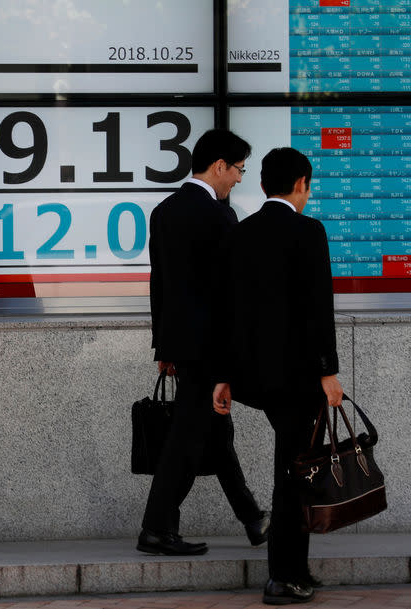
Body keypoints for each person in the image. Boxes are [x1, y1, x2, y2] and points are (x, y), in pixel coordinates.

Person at [212, 147, 343, 605]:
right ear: (301, 183)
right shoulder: (309, 232)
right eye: (309, 186)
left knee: (295, 468)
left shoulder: (239, 234)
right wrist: (328, 372)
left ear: (264, 184)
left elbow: (227, 315)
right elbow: (317, 310)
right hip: (299, 378)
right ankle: (281, 577)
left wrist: (223, 376)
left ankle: (295, 568)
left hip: (255, 379)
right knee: (293, 472)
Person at [138, 129, 270, 556]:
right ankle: (156, 528)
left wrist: (164, 349)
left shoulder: (163, 212)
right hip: (210, 350)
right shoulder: (219, 217)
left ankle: (253, 518)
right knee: (187, 440)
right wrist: (232, 360)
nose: (238, 179)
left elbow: (159, 285)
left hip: (181, 346)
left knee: (215, 432)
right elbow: (227, 296)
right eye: (238, 170)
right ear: (219, 166)